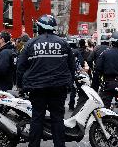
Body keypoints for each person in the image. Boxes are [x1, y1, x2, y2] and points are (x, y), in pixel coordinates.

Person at [17, 15, 75, 147]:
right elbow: (72, 67)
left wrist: (21, 86)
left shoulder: (30, 44)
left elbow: (20, 67)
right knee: (57, 119)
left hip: (37, 88)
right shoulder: (63, 43)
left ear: (40, 27)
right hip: (58, 88)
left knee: (37, 119)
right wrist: (69, 84)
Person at [67, 36, 84, 111]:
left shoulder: (64, 51)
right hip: (74, 73)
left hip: (65, 74)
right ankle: (73, 105)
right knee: (74, 90)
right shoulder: (76, 52)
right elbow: (81, 62)